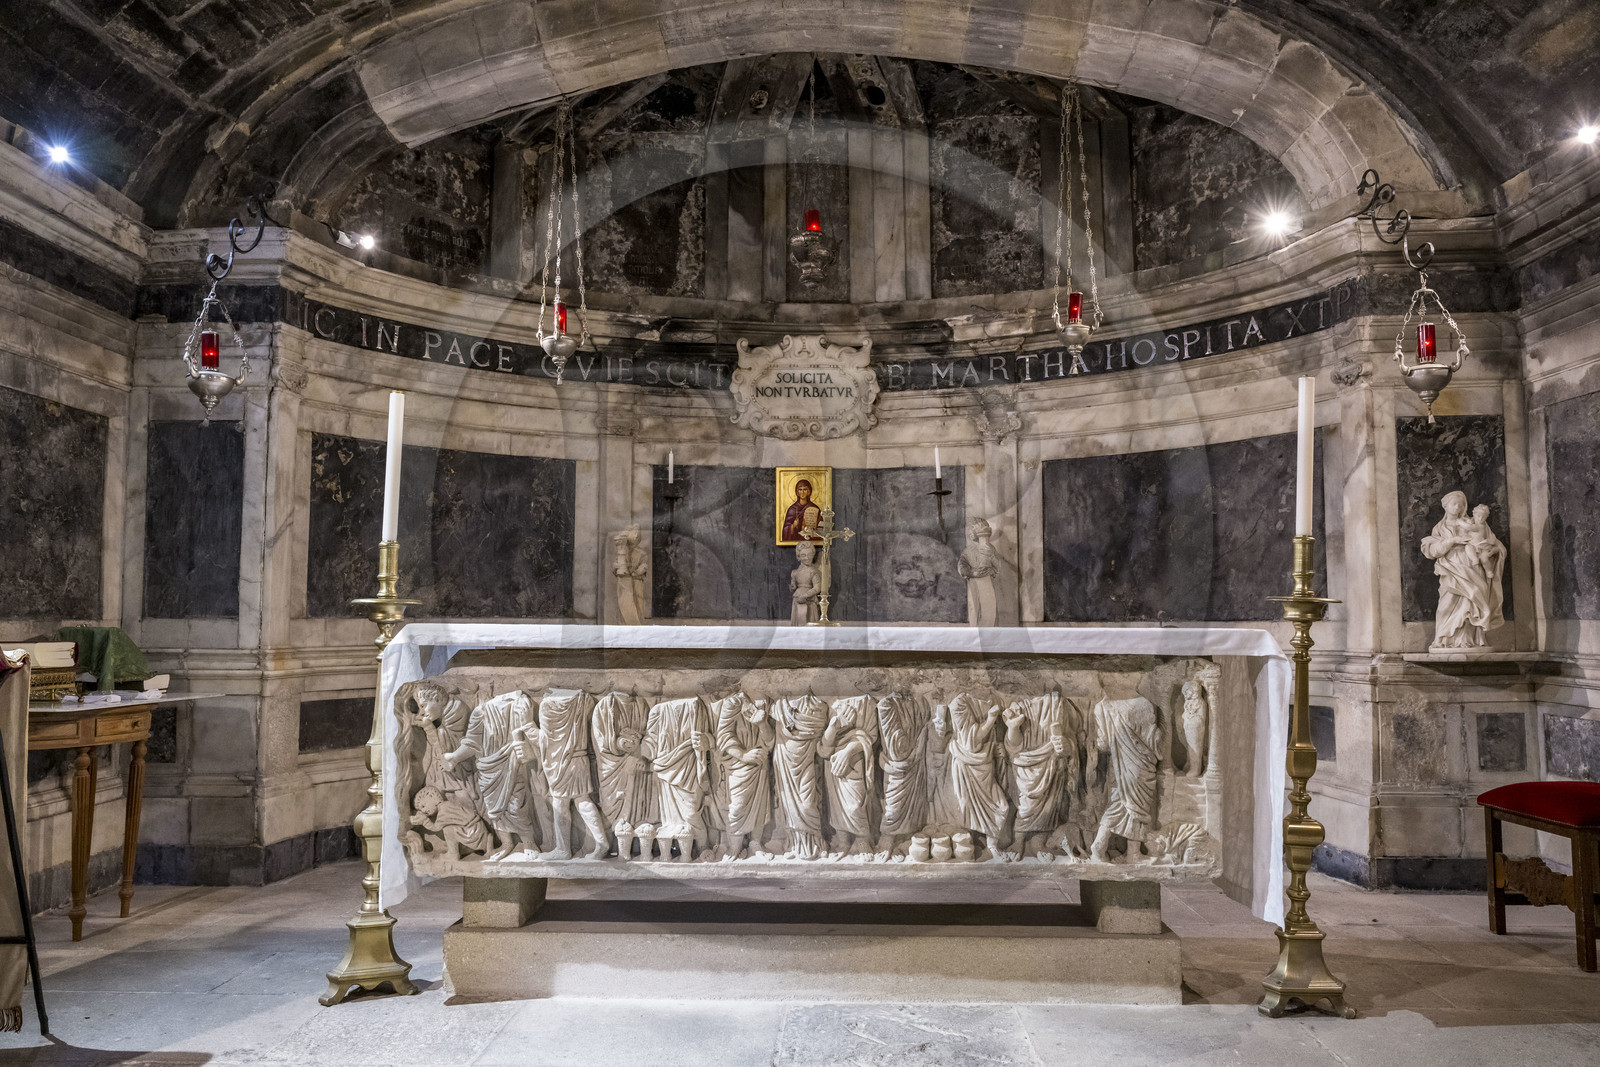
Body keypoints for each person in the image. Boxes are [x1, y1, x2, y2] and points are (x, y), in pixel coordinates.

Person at [1420, 491, 1506, 649]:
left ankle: (1470, 640)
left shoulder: (1473, 523)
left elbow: (1493, 543)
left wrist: (1491, 552)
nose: (1457, 507)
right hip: (1450, 569)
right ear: (1445, 506)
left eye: (1460, 504)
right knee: (1446, 604)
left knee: (1472, 601)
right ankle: (1444, 639)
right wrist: (1452, 540)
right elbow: (1432, 550)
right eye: (1454, 504)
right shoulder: (1440, 528)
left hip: (1472, 567)